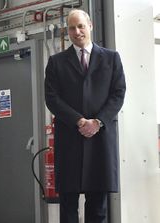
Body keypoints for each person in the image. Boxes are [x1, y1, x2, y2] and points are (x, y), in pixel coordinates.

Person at [44, 9, 126, 223]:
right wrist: (79, 121)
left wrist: (97, 122)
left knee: (98, 206)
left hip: (100, 139)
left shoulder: (111, 58)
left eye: (80, 26)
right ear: (67, 31)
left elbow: (118, 94)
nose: (77, 31)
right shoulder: (56, 62)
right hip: (70, 138)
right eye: (72, 28)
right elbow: (52, 98)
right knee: (68, 206)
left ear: (90, 26)